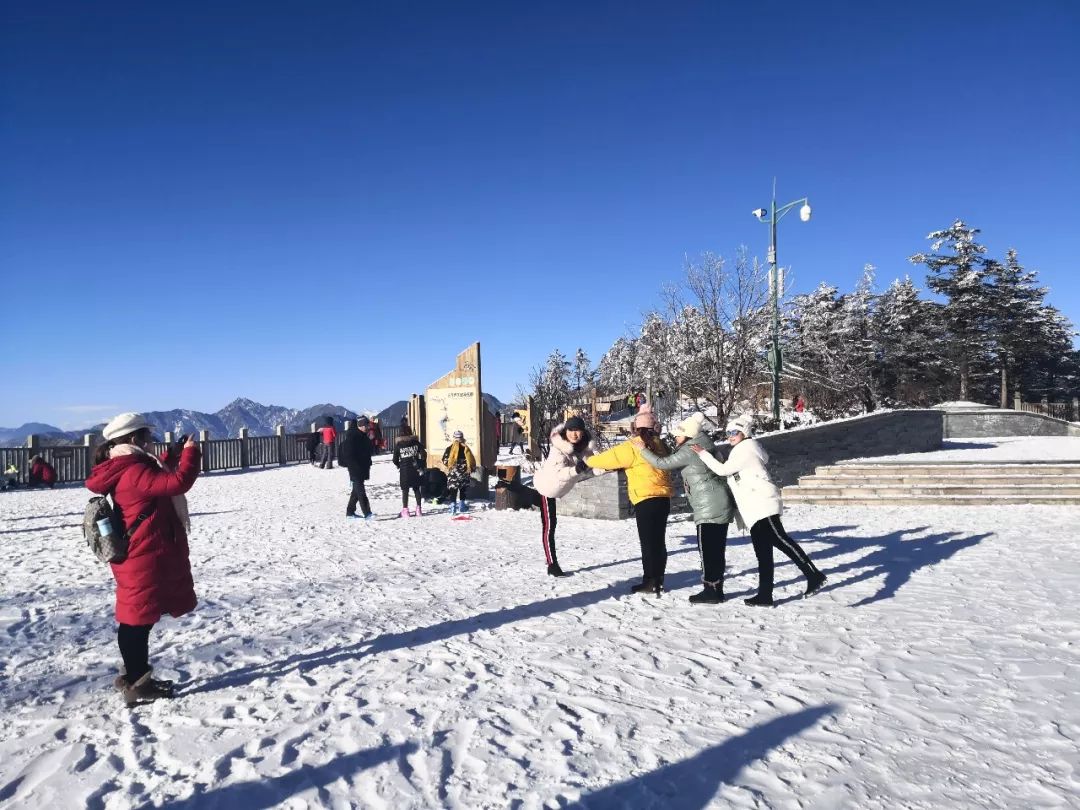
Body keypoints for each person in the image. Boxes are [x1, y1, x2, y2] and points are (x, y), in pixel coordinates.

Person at [85, 412, 201, 706]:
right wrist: (190, 453)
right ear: (135, 439)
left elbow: (155, 477)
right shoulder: (134, 470)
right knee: (136, 621)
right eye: (148, 436)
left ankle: (135, 677)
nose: (151, 441)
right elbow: (175, 483)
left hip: (141, 552)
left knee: (139, 618)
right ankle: (137, 683)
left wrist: (170, 454)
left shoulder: (129, 464)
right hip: (142, 555)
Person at [691, 414, 826, 606]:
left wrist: (703, 454)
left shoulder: (747, 448)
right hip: (753, 508)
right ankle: (765, 594)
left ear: (744, 433)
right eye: (727, 432)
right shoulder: (740, 450)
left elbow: (723, 470)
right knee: (763, 552)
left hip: (762, 503)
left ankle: (813, 574)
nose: (730, 436)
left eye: (734, 432)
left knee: (780, 539)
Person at [638, 412, 736, 604]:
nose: (675, 437)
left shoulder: (691, 449)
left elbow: (662, 463)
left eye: (677, 434)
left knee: (707, 550)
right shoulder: (704, 445)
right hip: (718, 502)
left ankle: (711, 591)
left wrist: (643, 449)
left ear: (688, 434)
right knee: (716, 549)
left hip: (709, 506)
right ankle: (716, 589)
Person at [585, 404, 673, 595]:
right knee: (658, 542)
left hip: (645, 499)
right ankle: (658, 579)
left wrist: (588, 460)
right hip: (663, 499)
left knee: (648, 543)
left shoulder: (633, 447)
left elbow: (608, 459)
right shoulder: (661, 445)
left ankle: (650, 581)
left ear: (636, 428)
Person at [525, 415, 596, 577]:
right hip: (547, 486)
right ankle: (552, 564)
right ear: (566, 431)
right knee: (549, 526)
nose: (574, 434)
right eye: (570, 430)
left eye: (577, 430)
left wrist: (609, 466)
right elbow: (560, 475)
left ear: (583, 432)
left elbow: (594, 463)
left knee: (551, 524)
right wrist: (576, 470)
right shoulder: (558, 448)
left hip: (558, 489)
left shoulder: (584, 447)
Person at [340, 418, 374, 519]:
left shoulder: (362, 436)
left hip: (361, 467)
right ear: (361, 426)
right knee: (361, 491)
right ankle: (367, 513)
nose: (368, 428)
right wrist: (354, 465)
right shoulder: (353, 437)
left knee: (356, 491)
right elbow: (349, 454)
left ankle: (350, 512)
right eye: (366, 426)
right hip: (355, 468)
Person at [393, 423, 426, 517]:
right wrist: (420, 462)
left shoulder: (399, 445)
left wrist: (400, 465)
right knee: (416, 489)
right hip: (416, 469)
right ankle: (418, 509)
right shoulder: (416, 443)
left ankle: (405, 511)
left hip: (404, 470)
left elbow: (395, 460)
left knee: (405, 490)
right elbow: (424, 454)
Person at [441, 430, 477, 515]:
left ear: (454, 438)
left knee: (453, 489)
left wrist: (450, 466)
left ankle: (453, 507)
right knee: (463, 488)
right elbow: (471, 460)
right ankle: (462, 505)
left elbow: (444, 460)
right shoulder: (466, 448)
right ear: (462, 438)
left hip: (453, 472)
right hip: (464, 471)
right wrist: (469, 467)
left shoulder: (450, 448)